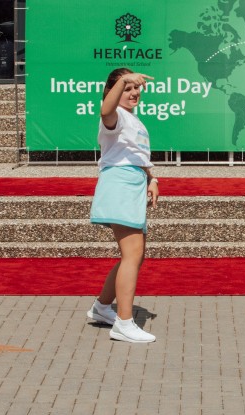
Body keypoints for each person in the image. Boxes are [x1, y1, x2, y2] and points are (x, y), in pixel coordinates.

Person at [85, 67, 159, 343]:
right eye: (127, 88)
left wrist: (152, 178)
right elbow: (105, 111)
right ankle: (124, 323)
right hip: (120, 183)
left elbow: (136, 155)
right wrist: (125, 80)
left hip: (133, 183)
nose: (133, 92)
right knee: (132, 254)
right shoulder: (114, 115)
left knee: (135, 255)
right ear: (112, 91)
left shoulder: (133, 119)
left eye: (135, 88)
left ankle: (102, 307)